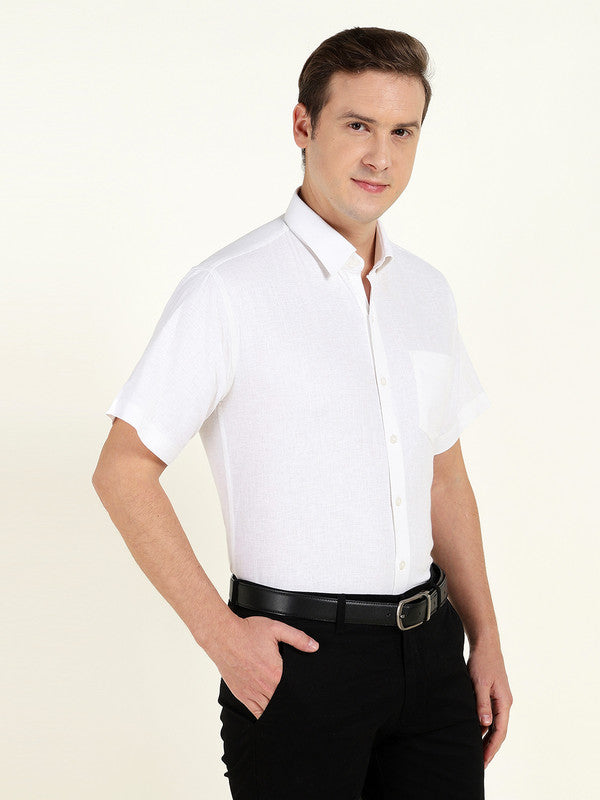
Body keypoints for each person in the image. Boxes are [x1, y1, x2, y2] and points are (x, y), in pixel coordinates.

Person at [92, 25, 512, 800]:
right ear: (302, 126)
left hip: (433, 659)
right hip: (300, 663)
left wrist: (485, 639)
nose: (380, 156)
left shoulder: (426, 292)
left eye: (402, 132)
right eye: (358, 125)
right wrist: (221, 636)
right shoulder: (229, 290)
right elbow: (122, 470)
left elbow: (445, 478)